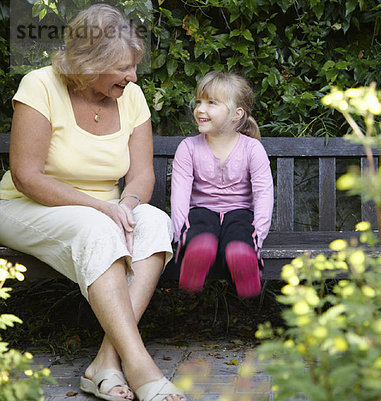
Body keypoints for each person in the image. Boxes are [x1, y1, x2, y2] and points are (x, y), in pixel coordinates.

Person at [0, 4, 186, 401]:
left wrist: (128, 203)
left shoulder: (132, 97)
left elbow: (141, 176)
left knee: (154, 222)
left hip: (104, 212)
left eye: (135, 66)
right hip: (28, 206)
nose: (133, 77)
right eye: (123, 68)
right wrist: (103, 208)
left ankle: (105, 362)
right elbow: (27, 176)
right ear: (88, 62)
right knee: (100, 227)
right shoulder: (40, 86)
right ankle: (140, 366)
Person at [170, 71, 273, 298]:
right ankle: (196, 253)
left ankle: (243, 259)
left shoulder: (252, 149)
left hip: (241, 213)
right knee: (199, 226)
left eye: (211, 103)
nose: (200, 109)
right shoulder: (188, 148)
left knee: (240, 232)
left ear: (237, 114)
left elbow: (263, 194)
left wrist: (260, 233)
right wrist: (180, 236)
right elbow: (179, 198)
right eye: (199, 102)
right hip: (201, 212)